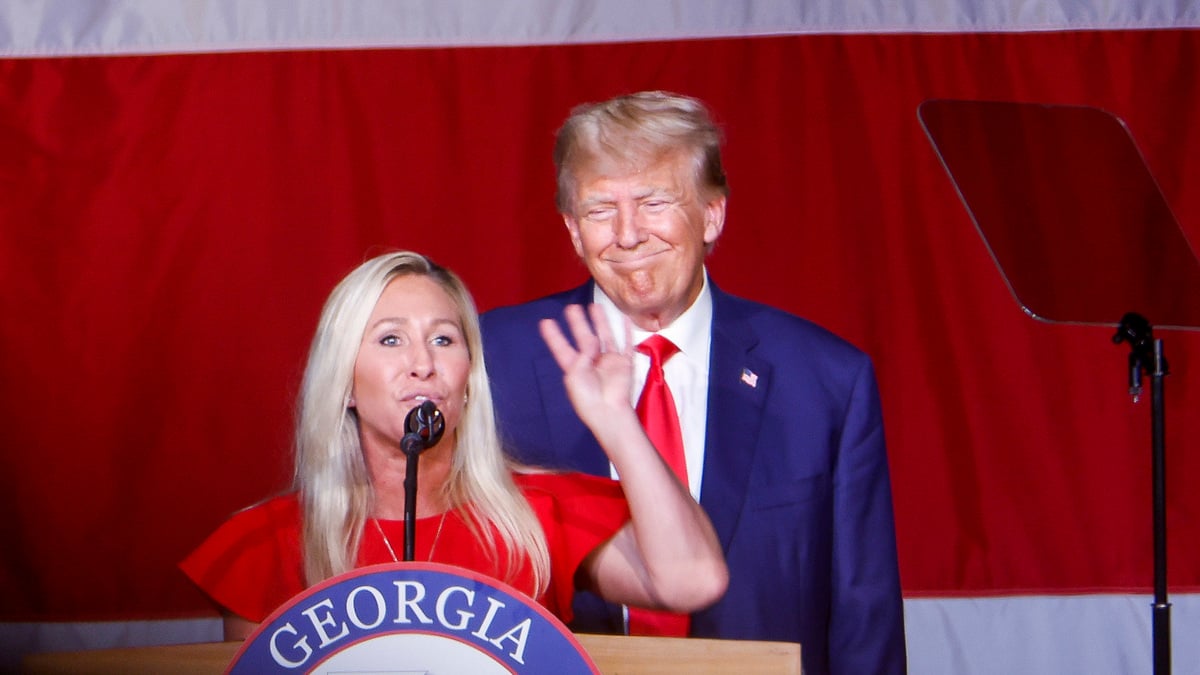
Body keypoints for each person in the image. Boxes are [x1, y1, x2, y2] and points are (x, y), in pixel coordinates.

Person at [479, 91, 906, 674]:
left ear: (712, 215)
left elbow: (864, 614)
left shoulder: (826, 380)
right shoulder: (491, 361)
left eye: (654, 202)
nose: (627, 235)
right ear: (573, 231)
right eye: (601, 210)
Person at [180, 251, 728, 640]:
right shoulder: (265, 545)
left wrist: (617, 422)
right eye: (390, 339)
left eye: (443, 338)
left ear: (468, 380)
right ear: (343, 382)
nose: (424, 363)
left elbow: (692, 581)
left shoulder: (539, 514)